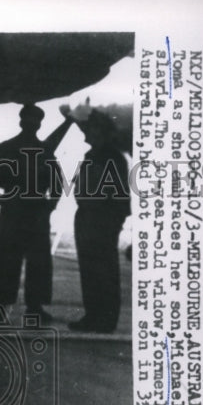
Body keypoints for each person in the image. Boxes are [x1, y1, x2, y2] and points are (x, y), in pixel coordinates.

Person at [0, 103, 67, 322]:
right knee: (31, 261)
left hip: (20, 210)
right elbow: (56, 183)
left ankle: (9, 307)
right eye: (30, 122)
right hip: (28, 211)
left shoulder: (9, 148)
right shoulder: (40, 151)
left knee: (14, 259)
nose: (31, 126)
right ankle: (29, 308)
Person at [66, 108, 131, 333]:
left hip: (102, 220)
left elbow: (120, 194)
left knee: (103, 271)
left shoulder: (111, 157)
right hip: (87, 217)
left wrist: (113, 221)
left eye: (90, 129)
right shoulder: (93, 155)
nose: (85, 134)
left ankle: (105, 319)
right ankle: (93, 316)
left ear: (100, 131)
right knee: (90, 270)